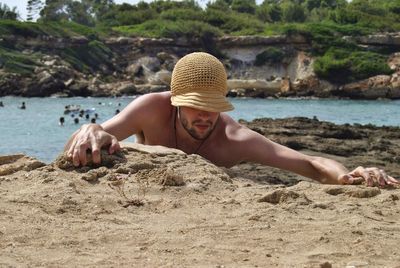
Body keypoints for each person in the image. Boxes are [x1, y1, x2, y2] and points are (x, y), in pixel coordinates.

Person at [64, 52, 399, 188]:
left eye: (212, 106)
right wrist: (90, 128)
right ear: (175, 101)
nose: (205, 115)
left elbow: (311, 163)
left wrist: (348, 177)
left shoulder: (235, 139)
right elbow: (89, 140)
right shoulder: (151, 109)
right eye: (195, 105)